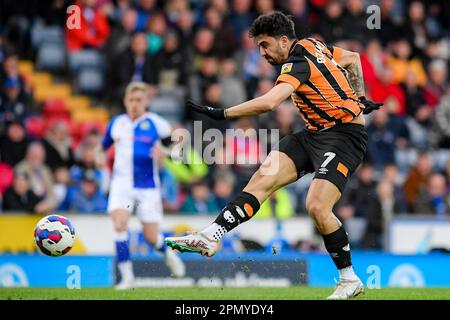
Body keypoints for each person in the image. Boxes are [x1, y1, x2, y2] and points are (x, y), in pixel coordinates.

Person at [165, 12, 382, 299]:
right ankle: (211, 235)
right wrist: (358, 99)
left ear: (283, 41)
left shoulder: (297, 60)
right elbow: (352, 58)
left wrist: (223, 113)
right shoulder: (315, 45)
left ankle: (349, 279)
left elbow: (270, 102)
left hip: (344, 137)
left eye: (265, 45)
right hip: (314, 133)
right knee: (262, 177)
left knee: (317, 206)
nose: (262, 53)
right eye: (259, 47)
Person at [102, 82, 185, 290]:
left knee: (150, 237)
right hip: (121, 184)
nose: (134, 104)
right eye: (131, 100)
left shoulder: (158, 124)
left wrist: (163, 155)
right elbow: (101, 147)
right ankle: (127, 278)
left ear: (146, 102)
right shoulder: (116, 123)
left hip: (148, 186)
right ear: (125, 102)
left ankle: (166, 252)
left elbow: (176, 153)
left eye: (139, 100)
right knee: (120, 224)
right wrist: (97, 158)